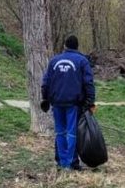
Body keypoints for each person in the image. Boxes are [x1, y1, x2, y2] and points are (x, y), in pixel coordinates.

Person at [40, 35, 96, 170]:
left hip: (57, 102)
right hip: (73, 103)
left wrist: (45, 98)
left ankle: (61, 161)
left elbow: (46, 82)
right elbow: (88, 82)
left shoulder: (54, 61)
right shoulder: (82, 61)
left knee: (60, 132)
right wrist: (90, 100)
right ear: (77, 46)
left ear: (65, 45)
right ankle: (70, 163)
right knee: (71, 132)